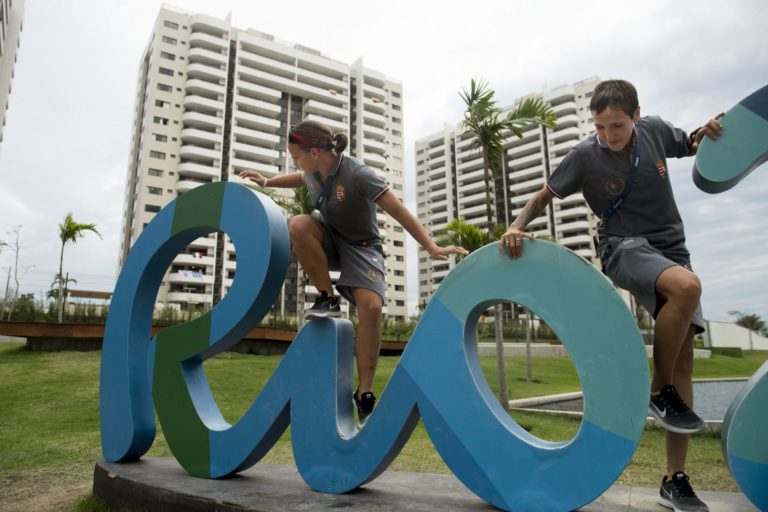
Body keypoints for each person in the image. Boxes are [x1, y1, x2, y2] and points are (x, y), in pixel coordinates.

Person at [499, 80, 722, 512]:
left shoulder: (656, 131)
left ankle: (674, 480)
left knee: (685, 359)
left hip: (672, 250)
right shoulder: (586, 154)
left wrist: (709, 133)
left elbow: (691, 144)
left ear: (636, 115)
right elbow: (545, 194)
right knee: (688, 287)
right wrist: (516, 225)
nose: (608, 135)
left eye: (617, 126)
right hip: (623, 246)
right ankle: (658, 389)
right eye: (599, 126)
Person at [240, 120, 467, 425]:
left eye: (296, 156)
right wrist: (268, 181)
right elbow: (300, 177)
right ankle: (327, 298)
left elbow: (399, 210)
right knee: (299, 224)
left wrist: (431, 247)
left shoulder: (358, 174)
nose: (296, 163)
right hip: (331, 240)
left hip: (363, 247)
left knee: (371, 309)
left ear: (315, 152)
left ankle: (365, 393)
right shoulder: (312, 171)